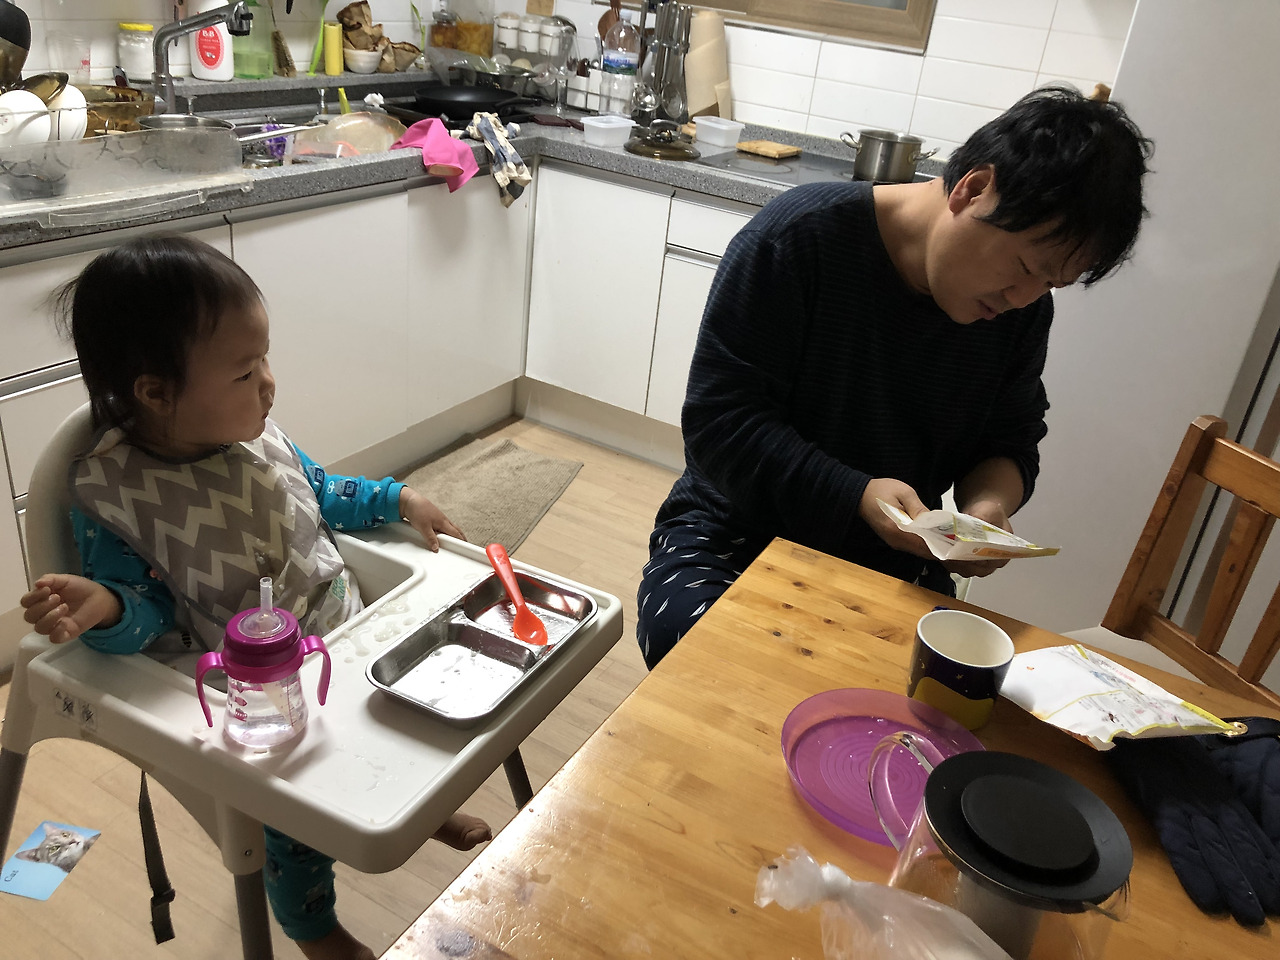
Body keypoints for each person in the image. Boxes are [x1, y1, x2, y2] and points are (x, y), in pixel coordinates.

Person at [19, 234, 491, 960]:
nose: (269, 385)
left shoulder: (255, 439)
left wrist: (398, 498)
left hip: (347, 633)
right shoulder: (117, 494)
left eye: (264, 360)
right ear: (156, 393)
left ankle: (416, 809)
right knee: (292, 813)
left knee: (401, 721)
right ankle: (313, 928)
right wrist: (104, 607)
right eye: (245, 372)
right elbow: (147, 612)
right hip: (260, 687)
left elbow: (321, 494)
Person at [637, 85, 1153, 670]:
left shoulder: (1020, 313)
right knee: (714, 664)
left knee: (930, 699)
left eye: (1051, 283)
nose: (1023, 297)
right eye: (1024, 266)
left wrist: (988, 504)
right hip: (735, 536)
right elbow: (720, 425)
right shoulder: (799, 239)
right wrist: (856, 496)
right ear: (973, 189)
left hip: (895, 565)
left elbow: (1010, 439)